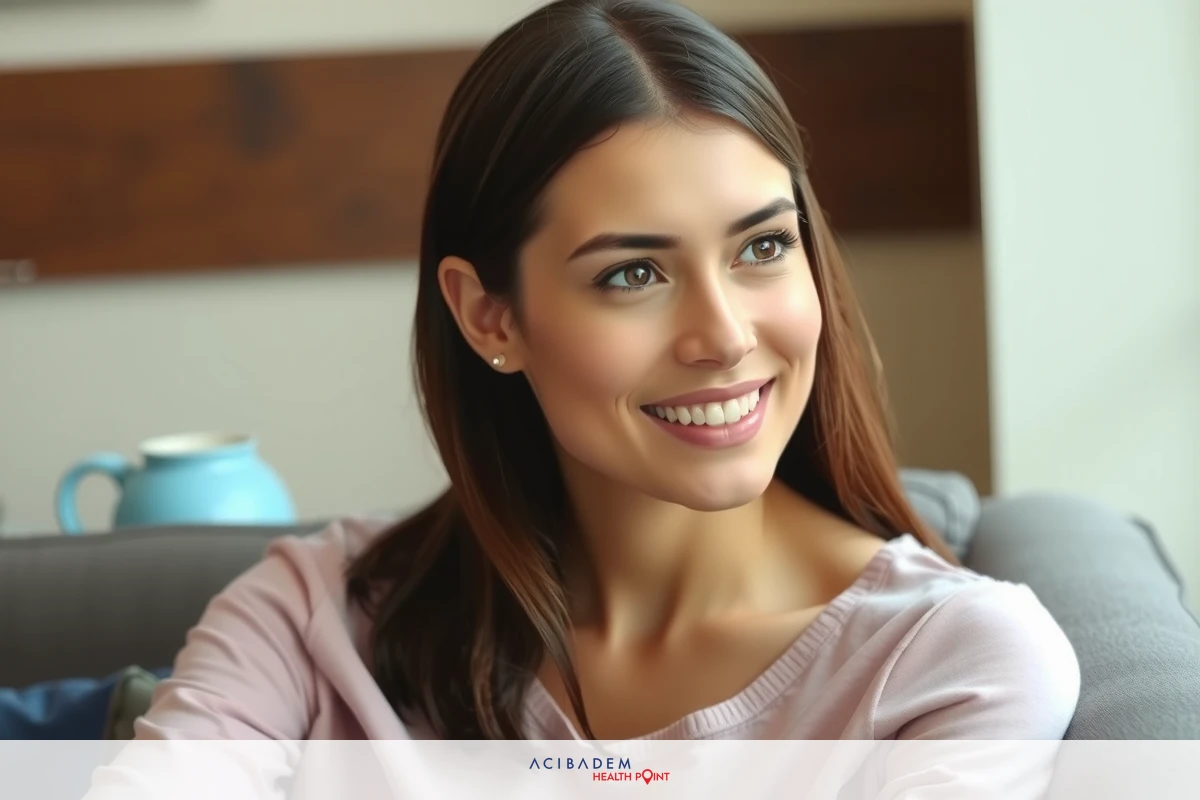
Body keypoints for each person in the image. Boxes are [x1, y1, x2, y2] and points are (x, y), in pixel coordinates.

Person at [87, 0, 1080, 795]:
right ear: (490, 317)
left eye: (763, 247)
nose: (725, 334)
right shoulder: (308, 620)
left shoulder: (956, 663)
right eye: (633, 274)